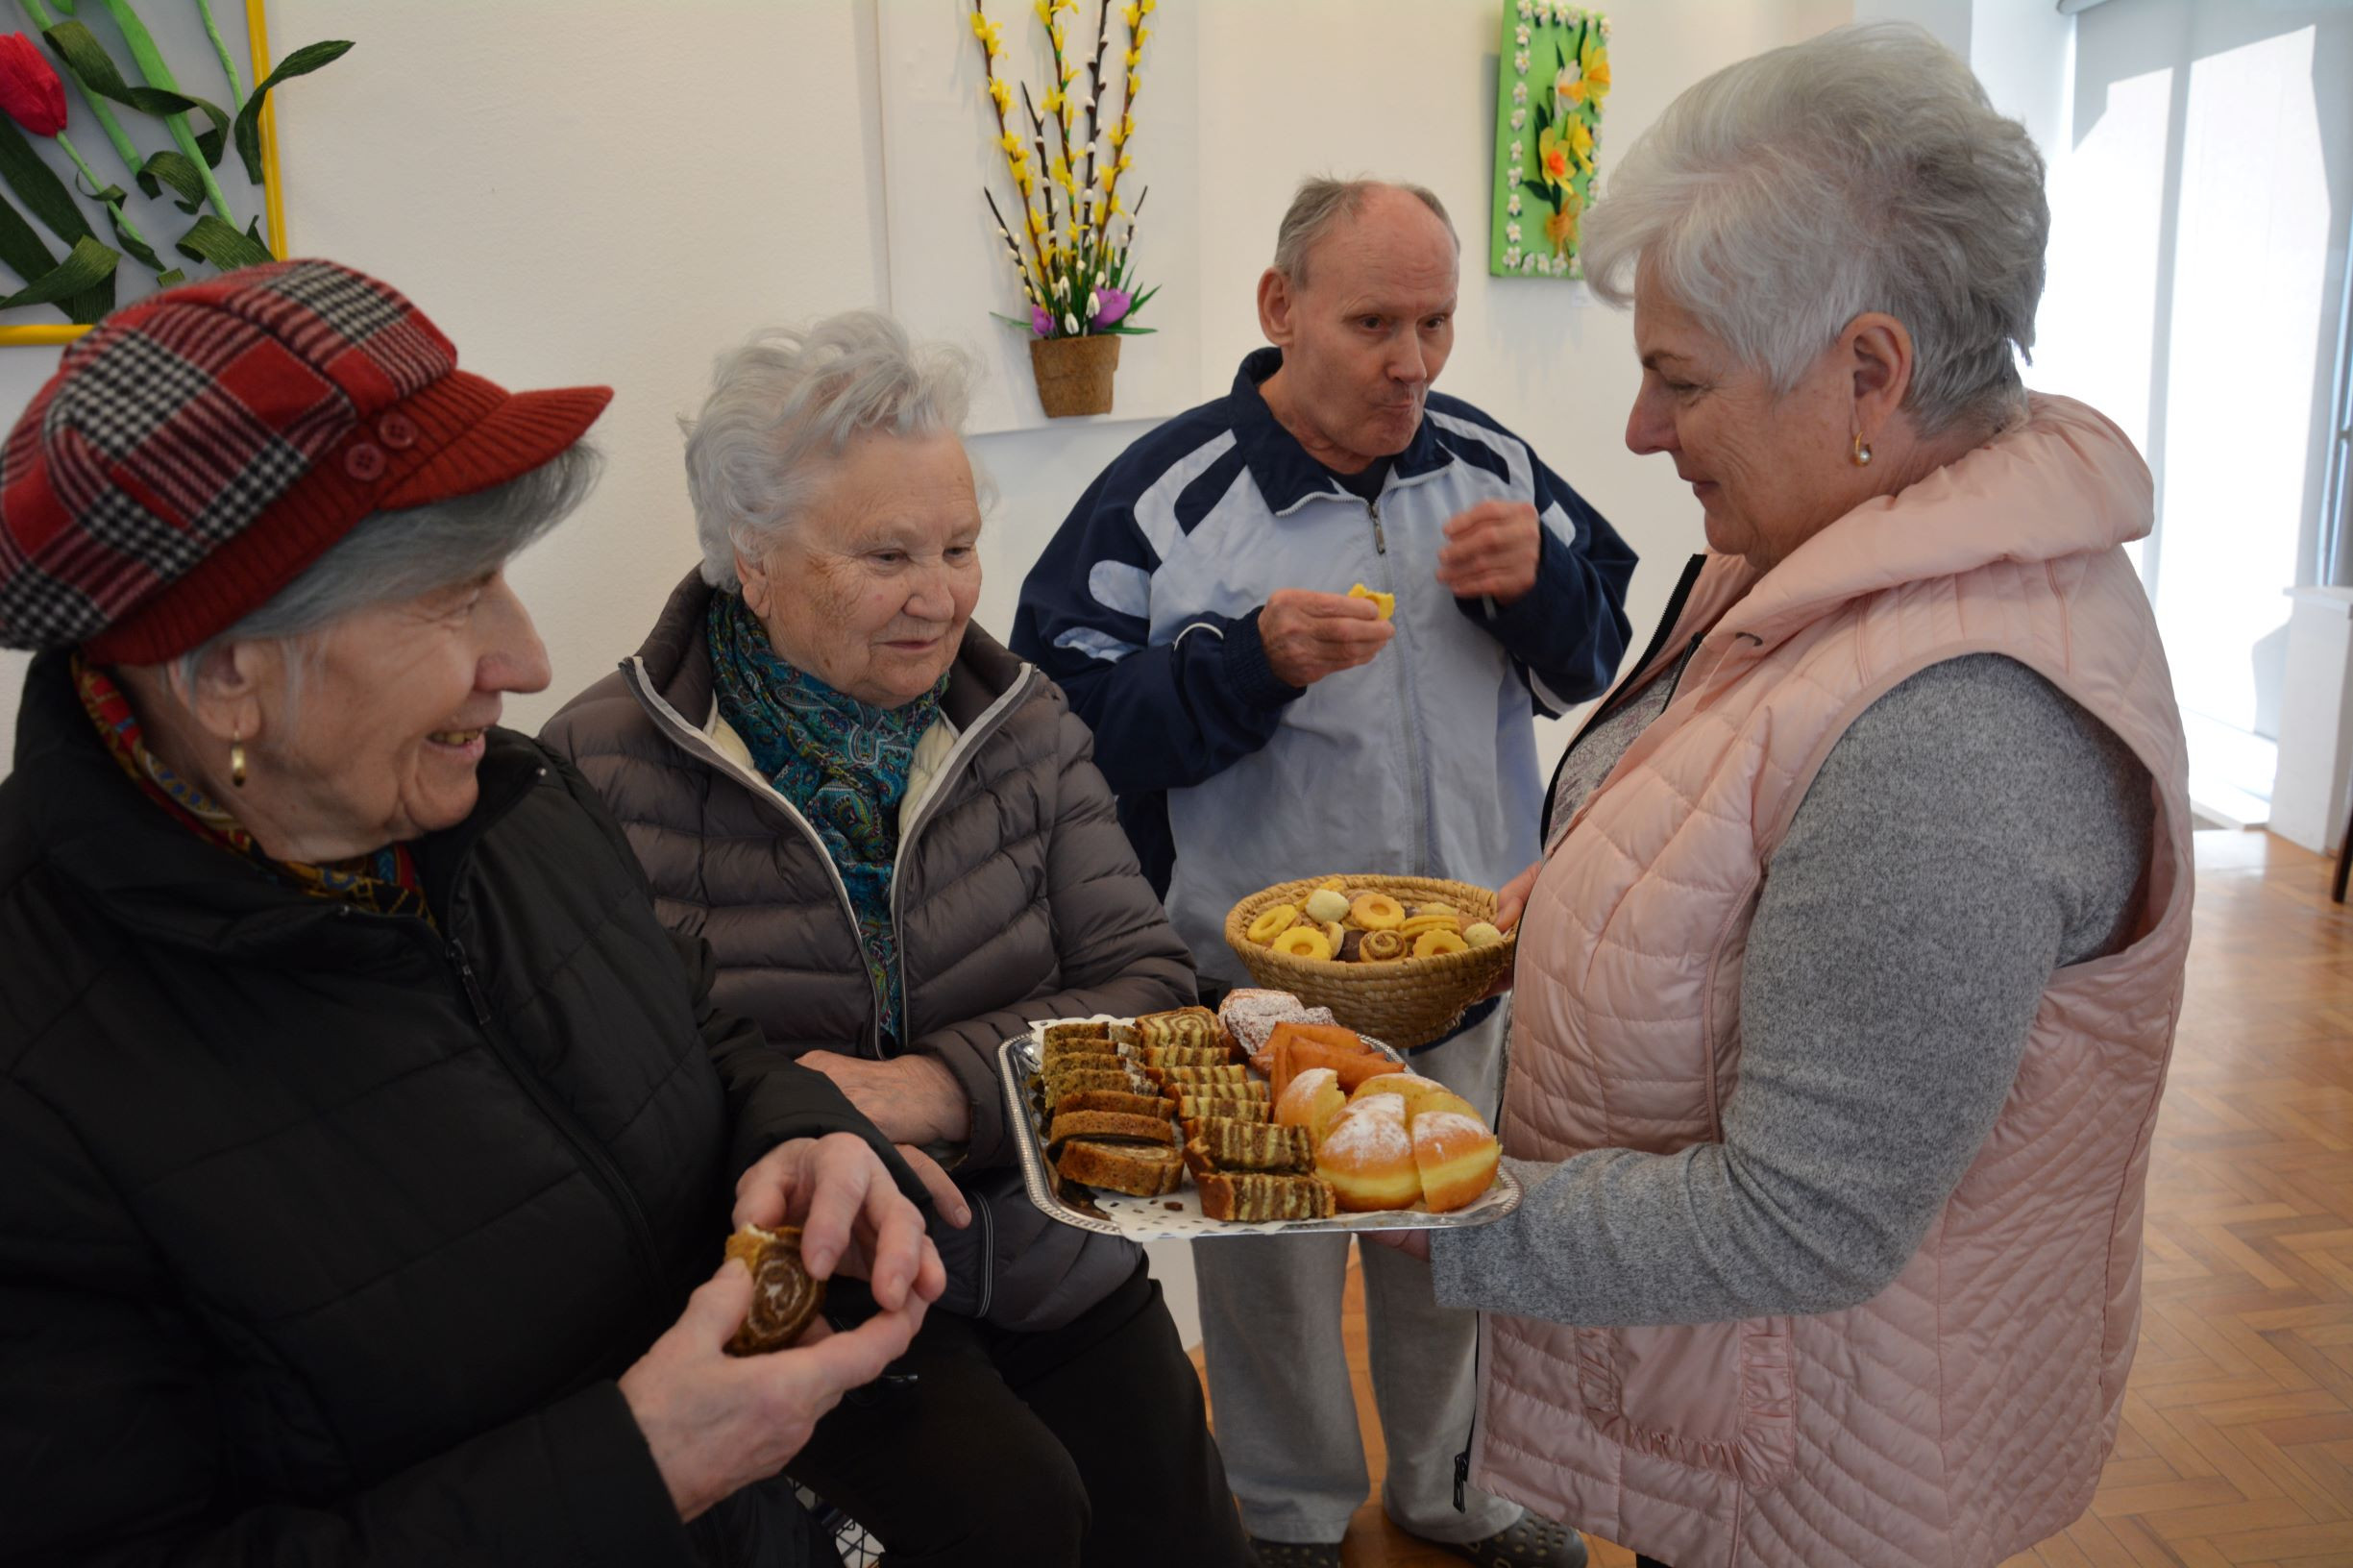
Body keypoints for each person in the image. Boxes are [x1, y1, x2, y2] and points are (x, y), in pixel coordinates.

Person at [1375, 25, 2192, 1568]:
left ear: (1867, 371)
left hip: (1825, 1478)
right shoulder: (1822, 548)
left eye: (1676, 378)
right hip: (1741, 1426)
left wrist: (1422, 1209)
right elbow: (1743, 826)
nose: (1635, 431)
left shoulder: (1958, 718)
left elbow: (1806, 1217)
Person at [0, 261, 949, 1567]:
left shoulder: (510, 802)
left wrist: (801, 1132)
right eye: (453, 598)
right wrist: (635, 1470)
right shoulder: (35, 1064)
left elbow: (687, 1033)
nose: (529, 660)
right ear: (225, 675)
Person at [543, 310, 1251, 1568]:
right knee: (1008, 1516)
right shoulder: (600, 766)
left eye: (961, 546)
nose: (942, 598)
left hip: (1049, 1246)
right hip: (807, 1288)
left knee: (1182, 1537)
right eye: (885, 557)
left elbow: (1151, 996)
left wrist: (923, 1092)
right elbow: (601, 1092)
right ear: (750, 560)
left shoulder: (1019, 723)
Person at [1013, 179, 1635, 1568]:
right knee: (1273, 1281)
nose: (1411, 361)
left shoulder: (1491, 464)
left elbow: (1594, 657)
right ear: (1278, 309)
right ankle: (1288, 1522)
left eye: (1433, 319)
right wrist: (1243, 662)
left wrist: (1542, 586)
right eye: (1370, 321)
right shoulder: (1169, 497)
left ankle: (1458, 1496)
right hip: (1250, 991)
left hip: (1471, 966)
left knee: (1463, 1246)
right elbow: (1063, 715)